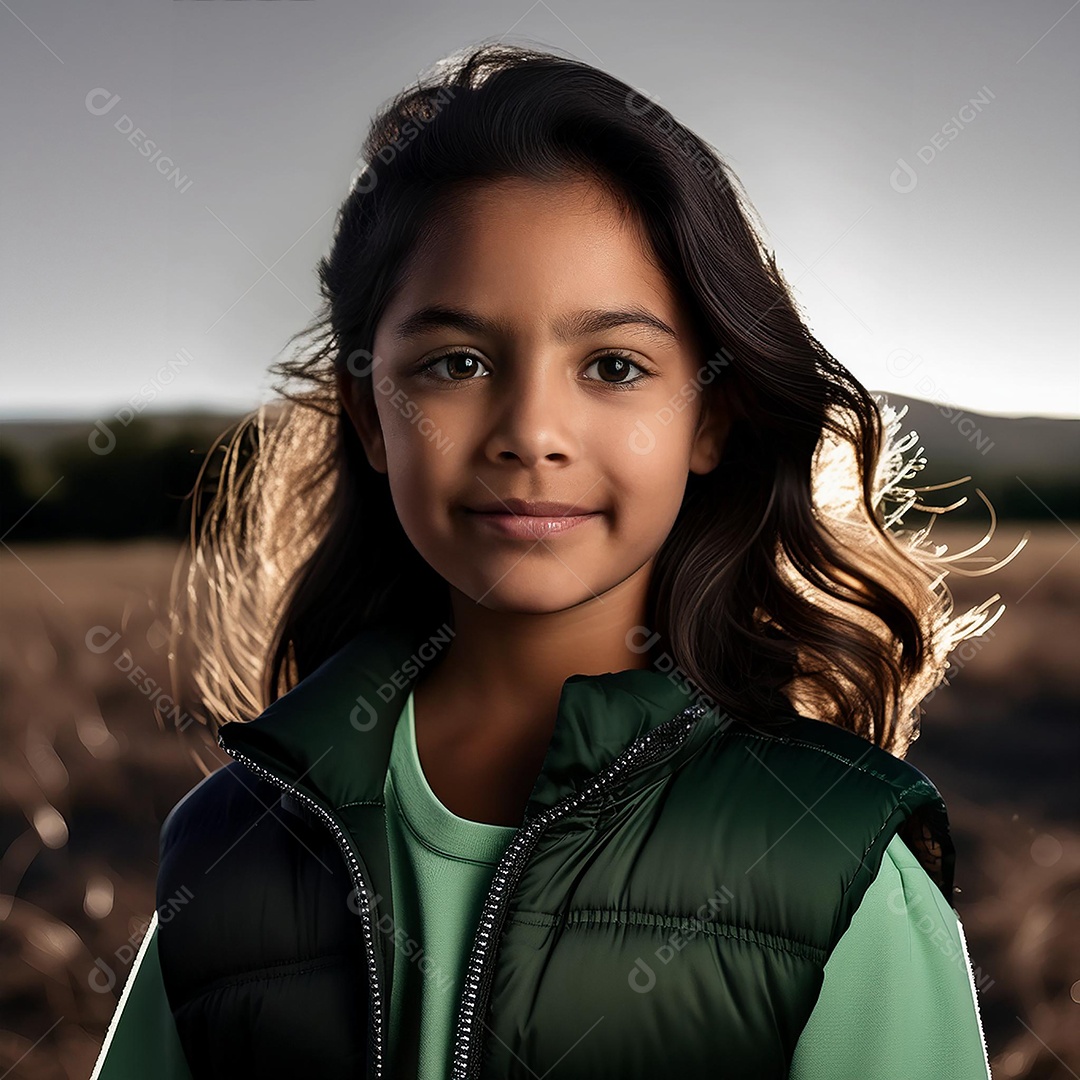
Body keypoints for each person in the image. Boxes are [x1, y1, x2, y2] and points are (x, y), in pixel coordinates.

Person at [91, 40, 1008, 1080]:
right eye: (457, 363)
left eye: (614, 366)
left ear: (712, 419)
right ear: (372, 416)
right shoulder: (234, 844)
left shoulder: (835, 862)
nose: (531, 430)